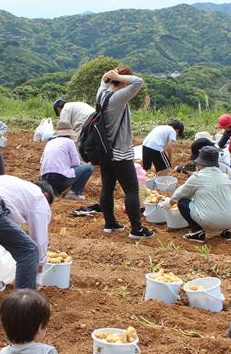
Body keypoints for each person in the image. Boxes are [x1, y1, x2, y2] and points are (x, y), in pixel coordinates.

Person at [95, 66, 154, 239]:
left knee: (107, 187)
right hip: (120, 152)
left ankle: (110, 223)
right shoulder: (117, 99)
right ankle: (136, 229)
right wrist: (119, 76)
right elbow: (139, 82)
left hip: (105, 152)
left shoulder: (101, 94)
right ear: (121, 82)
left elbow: (102, 82)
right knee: (132, 190)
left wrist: (109, 76)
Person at [169, 145, 231, 243]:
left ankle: (197, 233)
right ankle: (225, 230)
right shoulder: (225, 177)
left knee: (183, 202)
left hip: (209, 221)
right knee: (222, 200)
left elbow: (180, 194)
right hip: (230, 220)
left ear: (200, 163)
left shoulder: (197, 177)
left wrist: (169, 203)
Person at [39, 121, 92, 200]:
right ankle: (74, 192)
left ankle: (55, 192)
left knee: (64, 172)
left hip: (45, 179)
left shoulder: (50, 143)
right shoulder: (69, 142)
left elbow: (41, 161)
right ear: (69, 134)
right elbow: (76, 163)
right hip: (60, 178)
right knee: (88, 168)